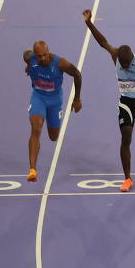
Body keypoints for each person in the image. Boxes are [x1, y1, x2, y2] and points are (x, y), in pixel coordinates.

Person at [83, 9, 135, 192]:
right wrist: (89, 23)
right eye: (123, 64)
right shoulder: (115, 55)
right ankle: (127, 178)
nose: (126, 66)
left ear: (132, 59)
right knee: (126, 136)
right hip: (126, 103)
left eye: (128, 64)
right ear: (119, 58)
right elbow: (102, 41)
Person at [24, 40, 83, 182]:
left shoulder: (60, 63)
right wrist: (28, 66)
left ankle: (53, 125)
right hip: (38, 97)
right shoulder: (30, 58)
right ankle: (32, 170)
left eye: (45, 55)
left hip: (55, 101)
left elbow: (77, 74)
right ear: (34, 55)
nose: (42, 58)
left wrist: (77, 99)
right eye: (39, 56)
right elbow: (25, 54)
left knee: (53, 136)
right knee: (36, 127)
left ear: (48, 51)